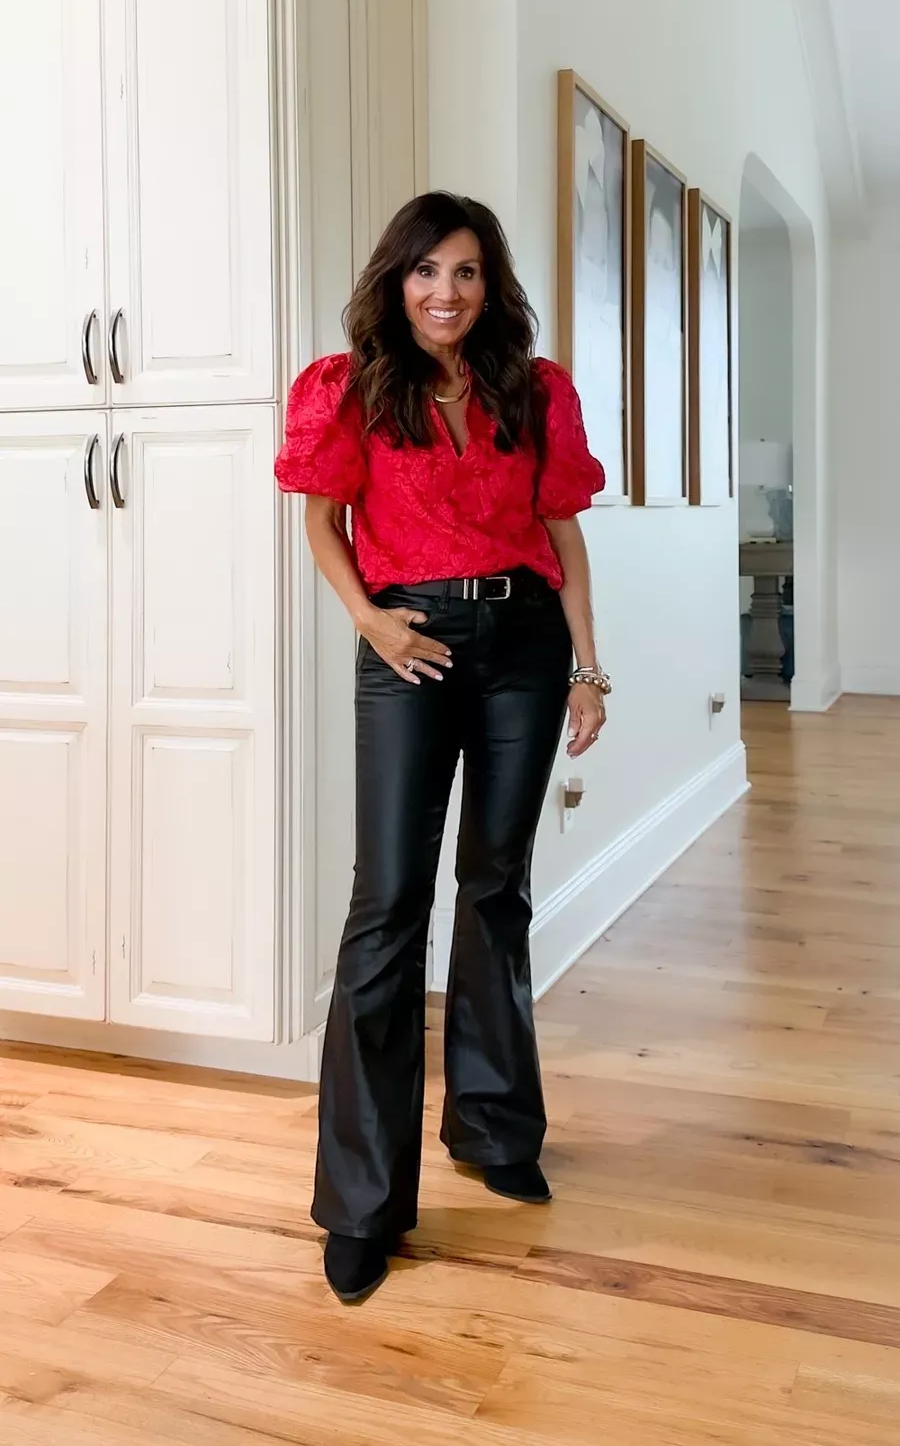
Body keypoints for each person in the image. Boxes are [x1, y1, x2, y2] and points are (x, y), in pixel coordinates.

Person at [275, 191, 610, 1304]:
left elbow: (562, 528)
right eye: (426, 272)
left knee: (498, 885)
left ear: (489, 281)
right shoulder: (354, 386)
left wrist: (586, 663)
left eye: (465, 272)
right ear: (396, 278)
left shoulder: (533, 388)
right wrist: (369, 618)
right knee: (387, 905)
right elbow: (322, 521)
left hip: (521, 638)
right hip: (408, 639)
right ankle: (362, 1200)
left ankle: (494, 1126)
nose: (445, 293)